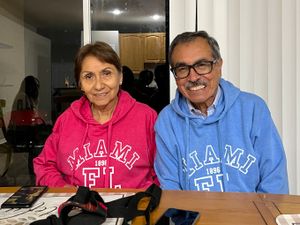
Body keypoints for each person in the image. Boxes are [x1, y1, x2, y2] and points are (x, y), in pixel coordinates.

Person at [154, 31, 289, 194]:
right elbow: (170, 188)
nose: (193, 76)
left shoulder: (253, 109)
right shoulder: (167, 121)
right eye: (182, 69)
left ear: (218, 66)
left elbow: (274, 181)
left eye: (202, 65)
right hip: (193, 219)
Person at [33, 41, 158, 188]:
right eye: (89, 76)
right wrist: (65, 191)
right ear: (80, 83)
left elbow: (164, 173)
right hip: (79, 210)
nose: (98, 85)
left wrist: (143, 201)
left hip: (132, 209)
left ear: (121, 77)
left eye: (106, 73)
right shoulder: (66, 120)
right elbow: (44, 165)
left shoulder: (146, 118)